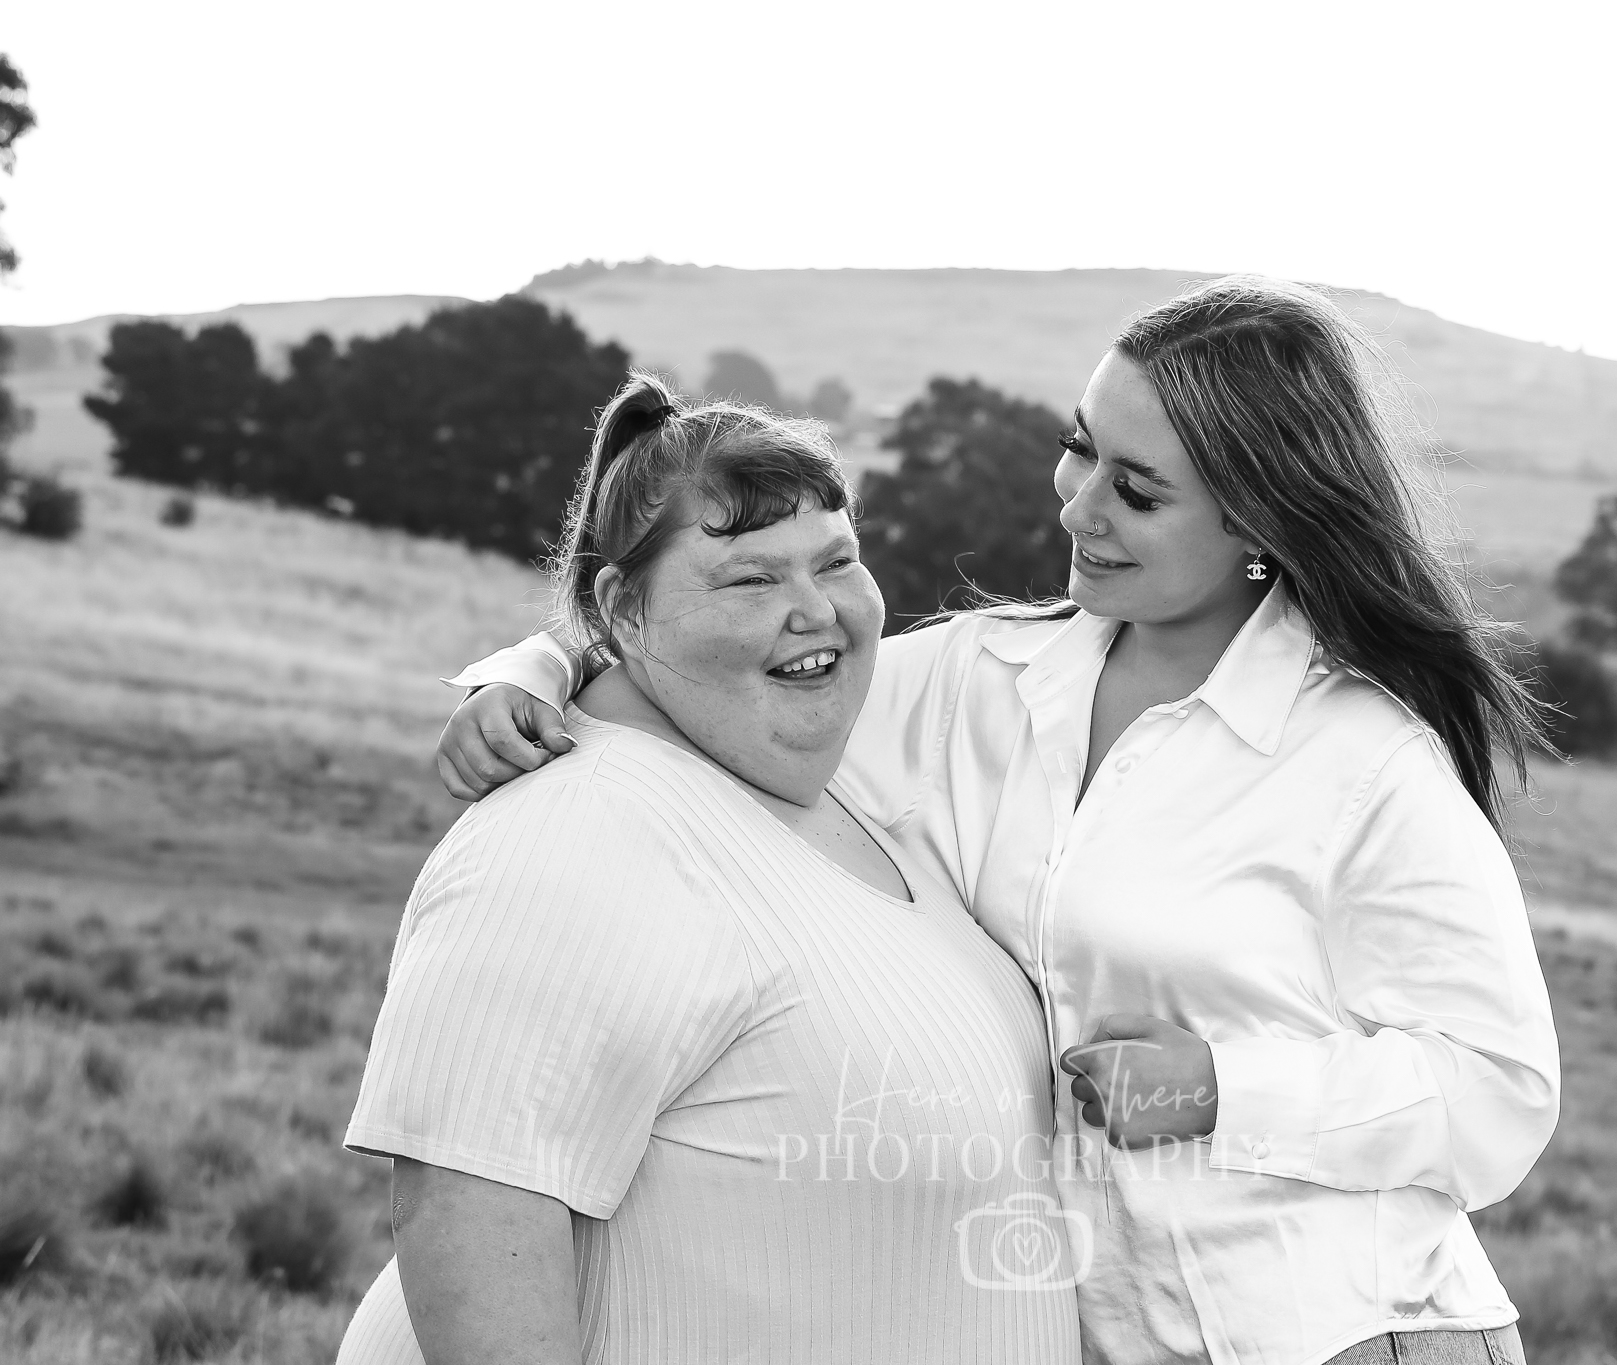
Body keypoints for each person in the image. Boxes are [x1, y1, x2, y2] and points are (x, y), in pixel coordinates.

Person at [439, 276, 1560, 1365]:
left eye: (1138, 490)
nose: (1078, 505)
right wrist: (534, 672)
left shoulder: (1364, 760)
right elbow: (718, 661)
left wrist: (1220, 1091)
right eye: (1080, 448)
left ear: (1259, 519)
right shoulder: (978, 679)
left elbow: (1498, 1094)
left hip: (1356, 1338)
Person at [337, 383, 1084, 1365]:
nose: (814, 611)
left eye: (836, 561)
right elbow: (465, 1202)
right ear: (624, 609)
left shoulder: (852, 782)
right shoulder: (573, 833)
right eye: (748, 580)